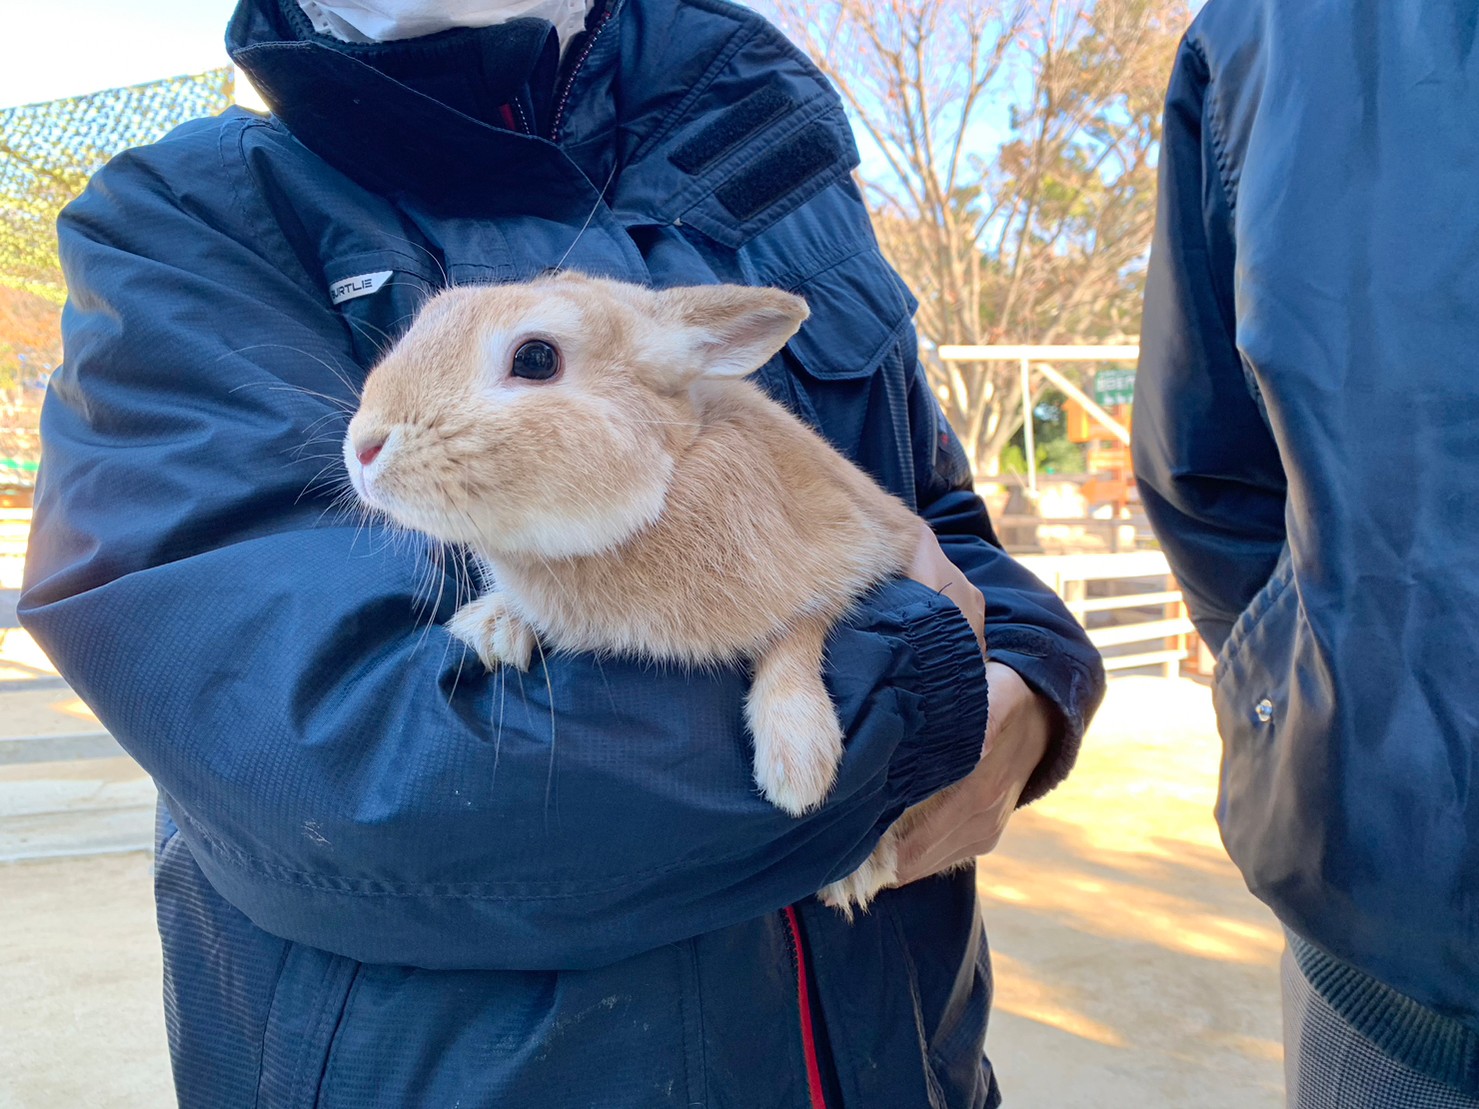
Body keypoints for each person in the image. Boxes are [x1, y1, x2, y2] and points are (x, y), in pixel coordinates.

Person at [20, 1, 1104, 1105]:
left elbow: (927, 512)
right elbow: (362, 764)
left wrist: (1027, 673)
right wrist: (921, 694)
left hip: (905, 1058)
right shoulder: (181, 221)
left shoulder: (755, 111)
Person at [1133, 1, 1479, 1103]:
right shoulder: (1262, 31)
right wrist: (1299, 692)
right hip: (1383, 935)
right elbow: (1207, 470)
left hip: (1378, 886)